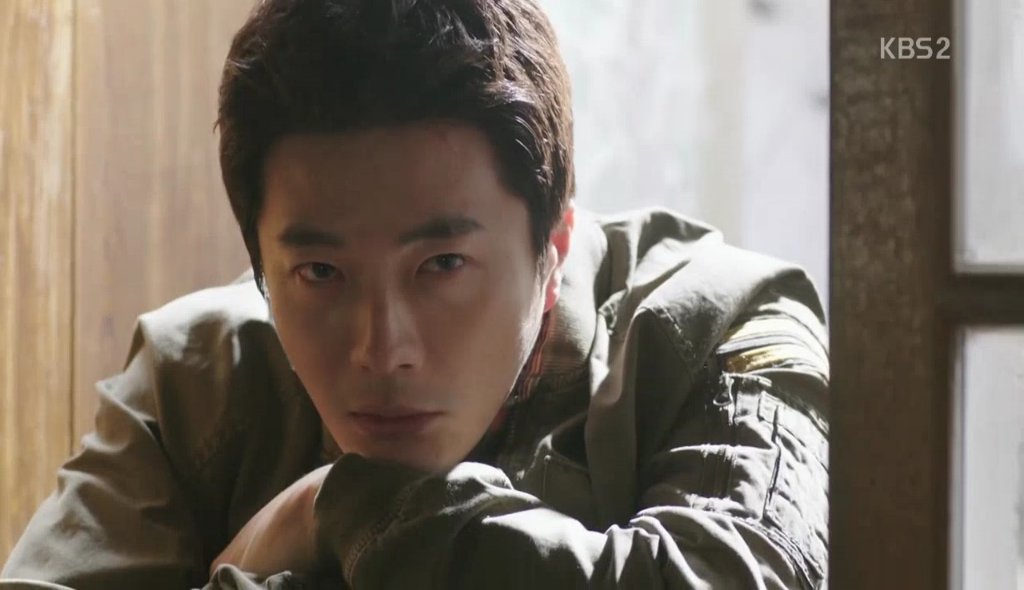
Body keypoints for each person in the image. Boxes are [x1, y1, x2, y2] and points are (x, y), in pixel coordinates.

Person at [1, 0, 829, 588]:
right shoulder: (199, 377)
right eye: (320, 273)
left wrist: (348, 509)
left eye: (442, 265)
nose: (381, 349)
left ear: (553, 243)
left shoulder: (716, 327)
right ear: (260, 263)